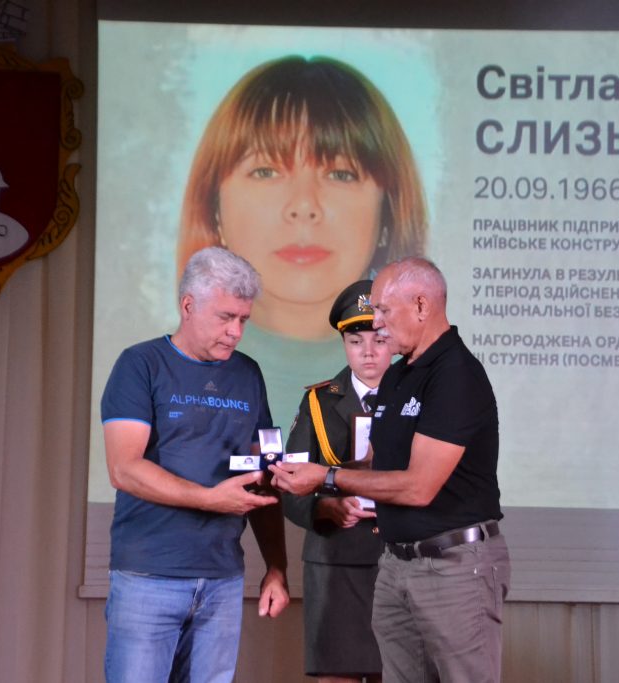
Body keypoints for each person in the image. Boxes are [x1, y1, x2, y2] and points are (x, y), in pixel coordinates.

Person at [270, 257, 510, 683]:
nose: (377, 324)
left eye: (383, 310)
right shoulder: (401, 375)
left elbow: (419, 487)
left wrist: (325, 477)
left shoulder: (456, 375)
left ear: (421, 305)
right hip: (397, 565)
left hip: (452, 564)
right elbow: (375, 462)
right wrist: (302, 474)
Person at [175, 55, 429, 432]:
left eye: (340, 174)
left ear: (388, 213)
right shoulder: (159, 375)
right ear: (214, 207)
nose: (304, 206)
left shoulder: (428, 386)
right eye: (266, 171)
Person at [100, 247, 290, 683]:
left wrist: (276, 567)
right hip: (148, 576)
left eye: (243, 319)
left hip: (223, 580)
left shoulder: (248, 374)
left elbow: (263, 477)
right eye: (226, 317)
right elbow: (123, 468)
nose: (236, 332)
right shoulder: (140, 364)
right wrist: (209, 499)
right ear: (188, 305)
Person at [283, 280, 392, 683]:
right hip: (335, 562)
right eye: (355, 340)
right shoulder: (318, 402)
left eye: (379, 339)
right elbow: (290, 486)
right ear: (344, 343)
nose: (368, 352)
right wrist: (326, 507)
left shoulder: (417, 400)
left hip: (400, 560)